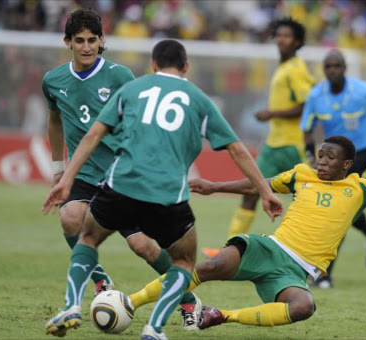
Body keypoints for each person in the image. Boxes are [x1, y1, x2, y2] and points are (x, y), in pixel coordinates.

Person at [128, 120, 366, 330]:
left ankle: (221, 315)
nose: (322, 161)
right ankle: (129, 302)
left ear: (347, 165)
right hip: (269, 249)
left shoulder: (361, 187)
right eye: (320, 155)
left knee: (303, 308)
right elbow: (260, 183)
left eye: (331, 157)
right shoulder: (302, 175)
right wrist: (216, 186)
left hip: (295, 273)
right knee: (209, 266)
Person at [42, 39, 283, 340]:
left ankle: (70, 305)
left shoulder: (132, 88)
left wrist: (64, 179)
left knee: (88, 238)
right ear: (186, 67)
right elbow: (237, 150)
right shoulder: (198, 99)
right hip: (167, 194)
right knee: (183, 260)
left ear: (153, 65)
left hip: (122, 185)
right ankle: (154, 328)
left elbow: (93, 135)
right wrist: (265, 191)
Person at [41, 9, 202, 334]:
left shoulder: (120, 76)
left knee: (143, 246)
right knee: (71, 218)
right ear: (68, 42)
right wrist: (60, 169)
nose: (86, 47)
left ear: (102, 41)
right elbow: (55, 120)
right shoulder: (53, 81)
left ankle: (189, 301)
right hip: (85, 174)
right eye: (79, 41)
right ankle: (99, 283)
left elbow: (143, 121)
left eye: (92, 40)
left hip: (122, 176)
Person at [201, 17, 314, 258]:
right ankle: (227, 251)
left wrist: (271, 113)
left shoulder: (297, 69)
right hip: (274, 144)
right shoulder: (283, 67)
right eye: (279, 35)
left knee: (306, 198)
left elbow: (307, 105)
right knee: (251, 190)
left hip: (293, 145)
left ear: (298, 42)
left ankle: (307, 250)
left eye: (288, 36)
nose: (282, 39)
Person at [301, 49, 366, 288]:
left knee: (341, 210)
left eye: (337, 66)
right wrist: (310, 155)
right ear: (324, 70)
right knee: (344, 208)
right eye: (328, 67)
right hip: (335, 159)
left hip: (363, 155)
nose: (333, 70)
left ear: (344, 68)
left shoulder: (364, 91)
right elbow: (307, 126)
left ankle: (324, 275)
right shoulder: (316, 95)